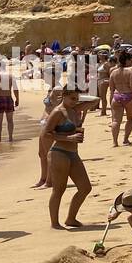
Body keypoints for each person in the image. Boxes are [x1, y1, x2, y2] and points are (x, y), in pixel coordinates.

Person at [46, 86, 92, 230]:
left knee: (85, 188)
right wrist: (69, 137)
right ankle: (54, 223)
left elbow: (96, 100)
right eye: (72, 98)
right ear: (64, 95)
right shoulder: (58, 112)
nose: (75, 102)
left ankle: (71, 218)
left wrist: (78, 101)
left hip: (73, 153)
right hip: (59, 152)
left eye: (77, 99)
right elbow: (46, 133)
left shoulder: (74, 110)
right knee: (59, 190)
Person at [108, 50, 132, 147]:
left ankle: (115, 142)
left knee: (115, 121)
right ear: (127, 60)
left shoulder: (113, 72)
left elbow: (111, 89)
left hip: (117, 96)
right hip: (129, 96)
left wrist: (111, 100)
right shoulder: (131, 70)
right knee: (130, 119)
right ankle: (125, 139)